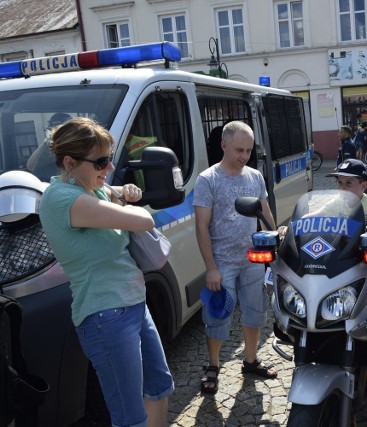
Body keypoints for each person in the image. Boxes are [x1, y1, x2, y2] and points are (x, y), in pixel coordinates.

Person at [39, 117, 173, 427]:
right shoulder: (62, 200)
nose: (109, 168)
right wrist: (126, 204)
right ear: (70, 162)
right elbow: (144, 221)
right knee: (130, 417)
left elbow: (111, 190)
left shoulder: (89, 188)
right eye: (101, 161)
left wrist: (120, 190)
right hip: (105, 316)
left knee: (160, 386)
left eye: (109, 159)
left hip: (133, 303)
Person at [193, 120, 277, 396]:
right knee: (217, 316)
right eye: (239, 150)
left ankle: (250, 361)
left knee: (255, 311)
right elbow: (201, 226)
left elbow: (264, 215)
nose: (244, 156)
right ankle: (213, 366)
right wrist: (211, 268)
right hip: (222, 263)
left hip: (252, 259)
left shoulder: (254, 177)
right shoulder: (208, 179)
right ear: (223, 145)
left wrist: (273, 244)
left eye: (249, 150)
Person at [278, 159, 367, 321]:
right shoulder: (337, 202)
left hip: (364, 248)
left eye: (348, 183)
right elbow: (315, 215)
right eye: (339, 183)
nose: (342, 188)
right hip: (342, 252)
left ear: (363, 186)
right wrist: (293, 227)